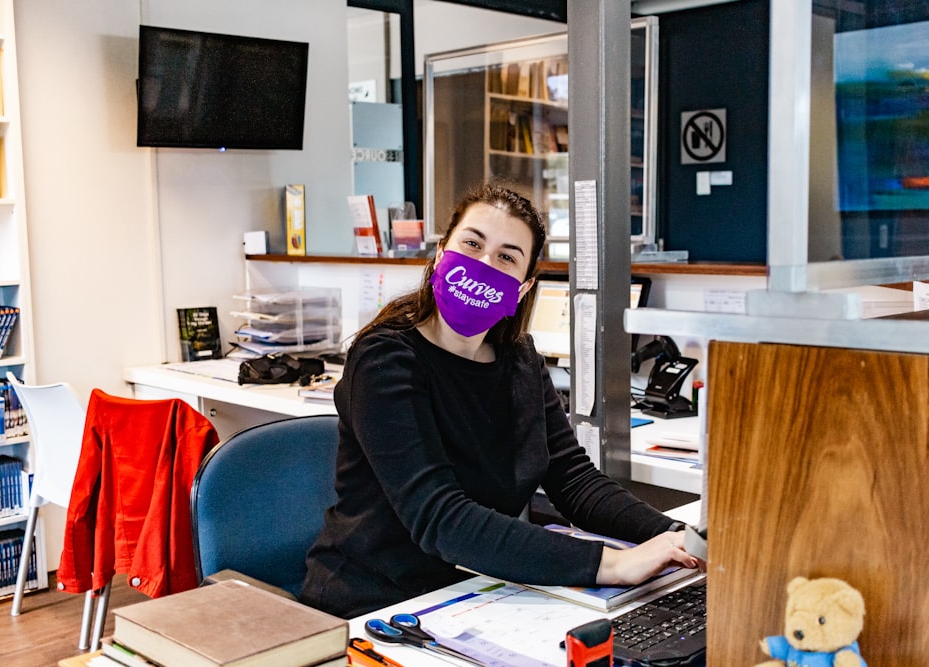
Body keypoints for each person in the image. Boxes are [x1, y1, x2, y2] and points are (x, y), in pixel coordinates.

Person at [300, 183, 699, 618]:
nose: (483, 263)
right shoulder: (386, 358)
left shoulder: (520, 359)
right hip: (376, 601)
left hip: (480, 589)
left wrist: (676, 536)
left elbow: (573, 480)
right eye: (472, 244)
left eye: (506, 257)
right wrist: (614, 564)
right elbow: (441, 518)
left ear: (523, 288)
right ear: (440, 254)